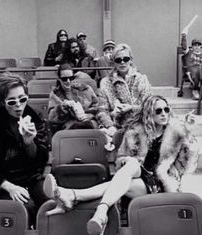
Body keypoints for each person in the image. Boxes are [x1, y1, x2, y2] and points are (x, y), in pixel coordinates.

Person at [43, 95, 199, 235]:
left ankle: (77, 197)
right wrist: (126, 161)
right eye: (158, 111)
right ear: (149, 113)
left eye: (166, 109)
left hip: (161, 182)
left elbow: (188, 165)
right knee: (130, 166)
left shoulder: (177, 132)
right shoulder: (135, 132)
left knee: (126, 182)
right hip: (137, 174)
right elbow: (122, 161)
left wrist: (188, 132)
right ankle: (95, 208)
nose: (163, 113)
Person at [0, 72, 49, 226]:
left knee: (50, 205)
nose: (19, 106)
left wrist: (29, 143)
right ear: (2, 102)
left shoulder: (36, 118)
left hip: (30, 177)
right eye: (12, 102)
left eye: (22, 100)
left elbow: (41, 160)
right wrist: (9, 186)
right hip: (0, 182)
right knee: (25, 209)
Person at [96, 43, 151, 138]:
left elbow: (150, 106)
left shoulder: (141, 79)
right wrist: (111, 123)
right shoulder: (105, 82)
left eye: (126, 59)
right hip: (116, 127)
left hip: (140, 125)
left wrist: (131, 107)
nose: (122, 62)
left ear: (131, 60)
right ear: (113, 62)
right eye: (118, 60)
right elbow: (102, 111)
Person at [48, 63, 99, 134]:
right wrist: (62, 108)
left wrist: (91, 115)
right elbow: (52, 117)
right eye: (64, 79)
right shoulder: (55, 94)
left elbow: (97, 106)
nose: (68, 81)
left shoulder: (85, 89)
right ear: (59, 79)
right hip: (68, 125)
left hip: (88, 121)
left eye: (71, 78)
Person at [181, 27, 202, 100]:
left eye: (198, 45)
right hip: (191, 70)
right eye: (195, 45)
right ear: (192, 46)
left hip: (200, 71)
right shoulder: (189, 52)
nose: (197, 47)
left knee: (200, 68)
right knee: (196, 70)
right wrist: (184, 36)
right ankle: (195, 89)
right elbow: (184, 47)